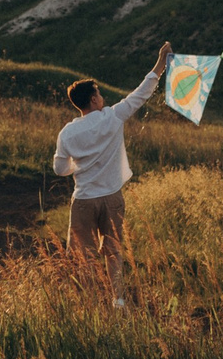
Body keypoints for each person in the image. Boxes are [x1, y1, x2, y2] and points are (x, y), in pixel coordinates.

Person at [52, 42, 172, 307]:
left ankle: (91, 303)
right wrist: (161, 62)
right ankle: (118, 300)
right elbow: (141, 93)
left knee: (83, 256)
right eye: (99, 94)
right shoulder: (113, 117)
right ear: (94, 99)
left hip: (83, 200)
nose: (102, 97)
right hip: (112, 198)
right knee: (114, 251)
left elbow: (59, 170)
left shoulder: (67, 133)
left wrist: (79, 166)